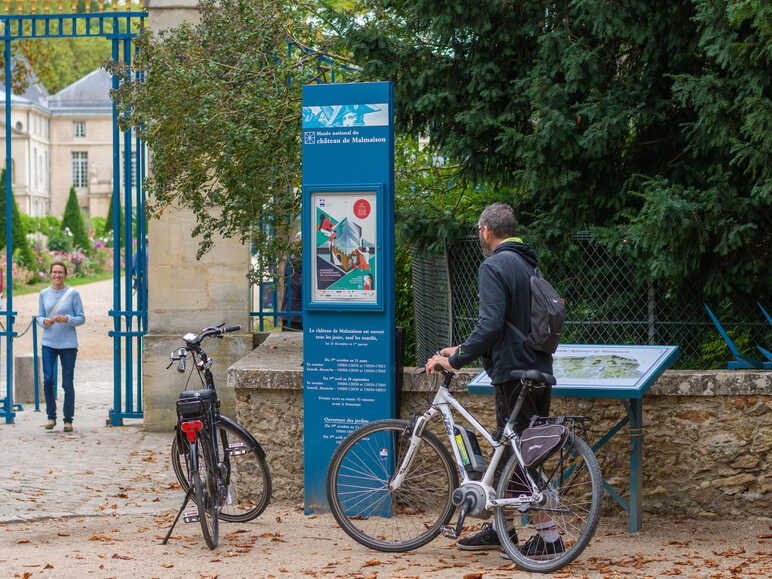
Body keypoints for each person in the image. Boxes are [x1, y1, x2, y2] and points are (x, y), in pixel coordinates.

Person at [424, 202, 558, 556]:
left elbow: (491, 324)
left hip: (513, 372)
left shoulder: (494, 265)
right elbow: (508, 326)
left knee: (518, 455)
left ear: (485, 231)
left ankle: (550, 537)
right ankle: (504, 529)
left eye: (479, 231)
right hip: (538, 368)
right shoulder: (530, 265)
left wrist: (457, 359)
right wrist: (462, 347)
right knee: (513, 451)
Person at [36, 261, 85, 433]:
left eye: (60, 272)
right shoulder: (43, 294)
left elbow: (81, 317)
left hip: (68, 344)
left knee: (67, 383)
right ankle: (51, 416)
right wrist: (44, 322)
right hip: (49, 342)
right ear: (50, 274)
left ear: (65, 274)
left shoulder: (73, 294)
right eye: (54, 272)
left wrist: (68, 319)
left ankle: (68, 419)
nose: (57, 275)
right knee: (48, 380)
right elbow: (39, 316)